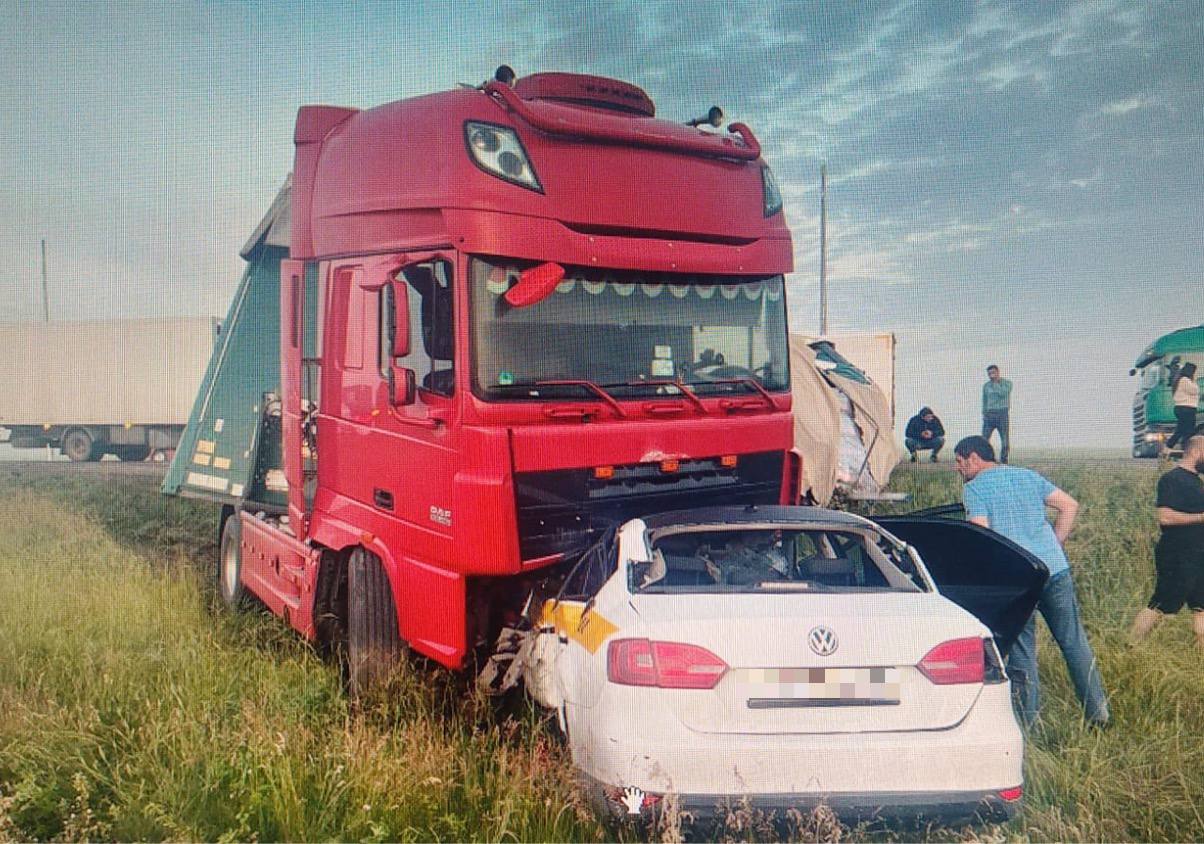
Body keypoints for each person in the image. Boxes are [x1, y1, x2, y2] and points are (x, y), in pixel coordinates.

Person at [953, 435, 1109, 727]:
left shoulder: (974, 490)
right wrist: (1055, 543)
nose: (957, 469)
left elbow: (981, 536)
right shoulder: (1027, 475)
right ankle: (1099, 714)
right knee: (1074, 642)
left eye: (960, 462)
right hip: (1054, 568)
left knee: (1023, 650)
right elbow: (1069, 505)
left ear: (974, 458)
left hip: (1016, 577)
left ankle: (1028, 724)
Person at [1130, 433, 1204, 649]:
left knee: (1200, 606)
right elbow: (1165, 517)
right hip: (1177, 554)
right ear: (1197, 452)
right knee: (1162, 604)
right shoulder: (1172, 479)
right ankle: (1130, 647)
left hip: (1198, 554)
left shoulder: (1196, 481)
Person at [1164, 362, 1199, 453]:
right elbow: (1195, 390)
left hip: (1182, 408)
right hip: (1187, 408)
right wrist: (1194, 381)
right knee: (1188, 431)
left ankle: (1170, 447)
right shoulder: (1185, 380)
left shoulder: (1180, 379)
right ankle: (1184, 449)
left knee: (1182, 430)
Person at [981, 365, 1013, 463]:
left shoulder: (1007, 383)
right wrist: (984, 413)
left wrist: (995, 383)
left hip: (1002, 413)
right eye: (989, 374)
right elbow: (984, 401)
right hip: (990, 414)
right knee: (984, 439)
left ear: (998, 372)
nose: (991, 376)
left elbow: (1003, 393)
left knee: (1004, 440)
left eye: (993, 373)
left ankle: (1004, 460)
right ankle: (988, 459)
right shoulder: (986, 386)